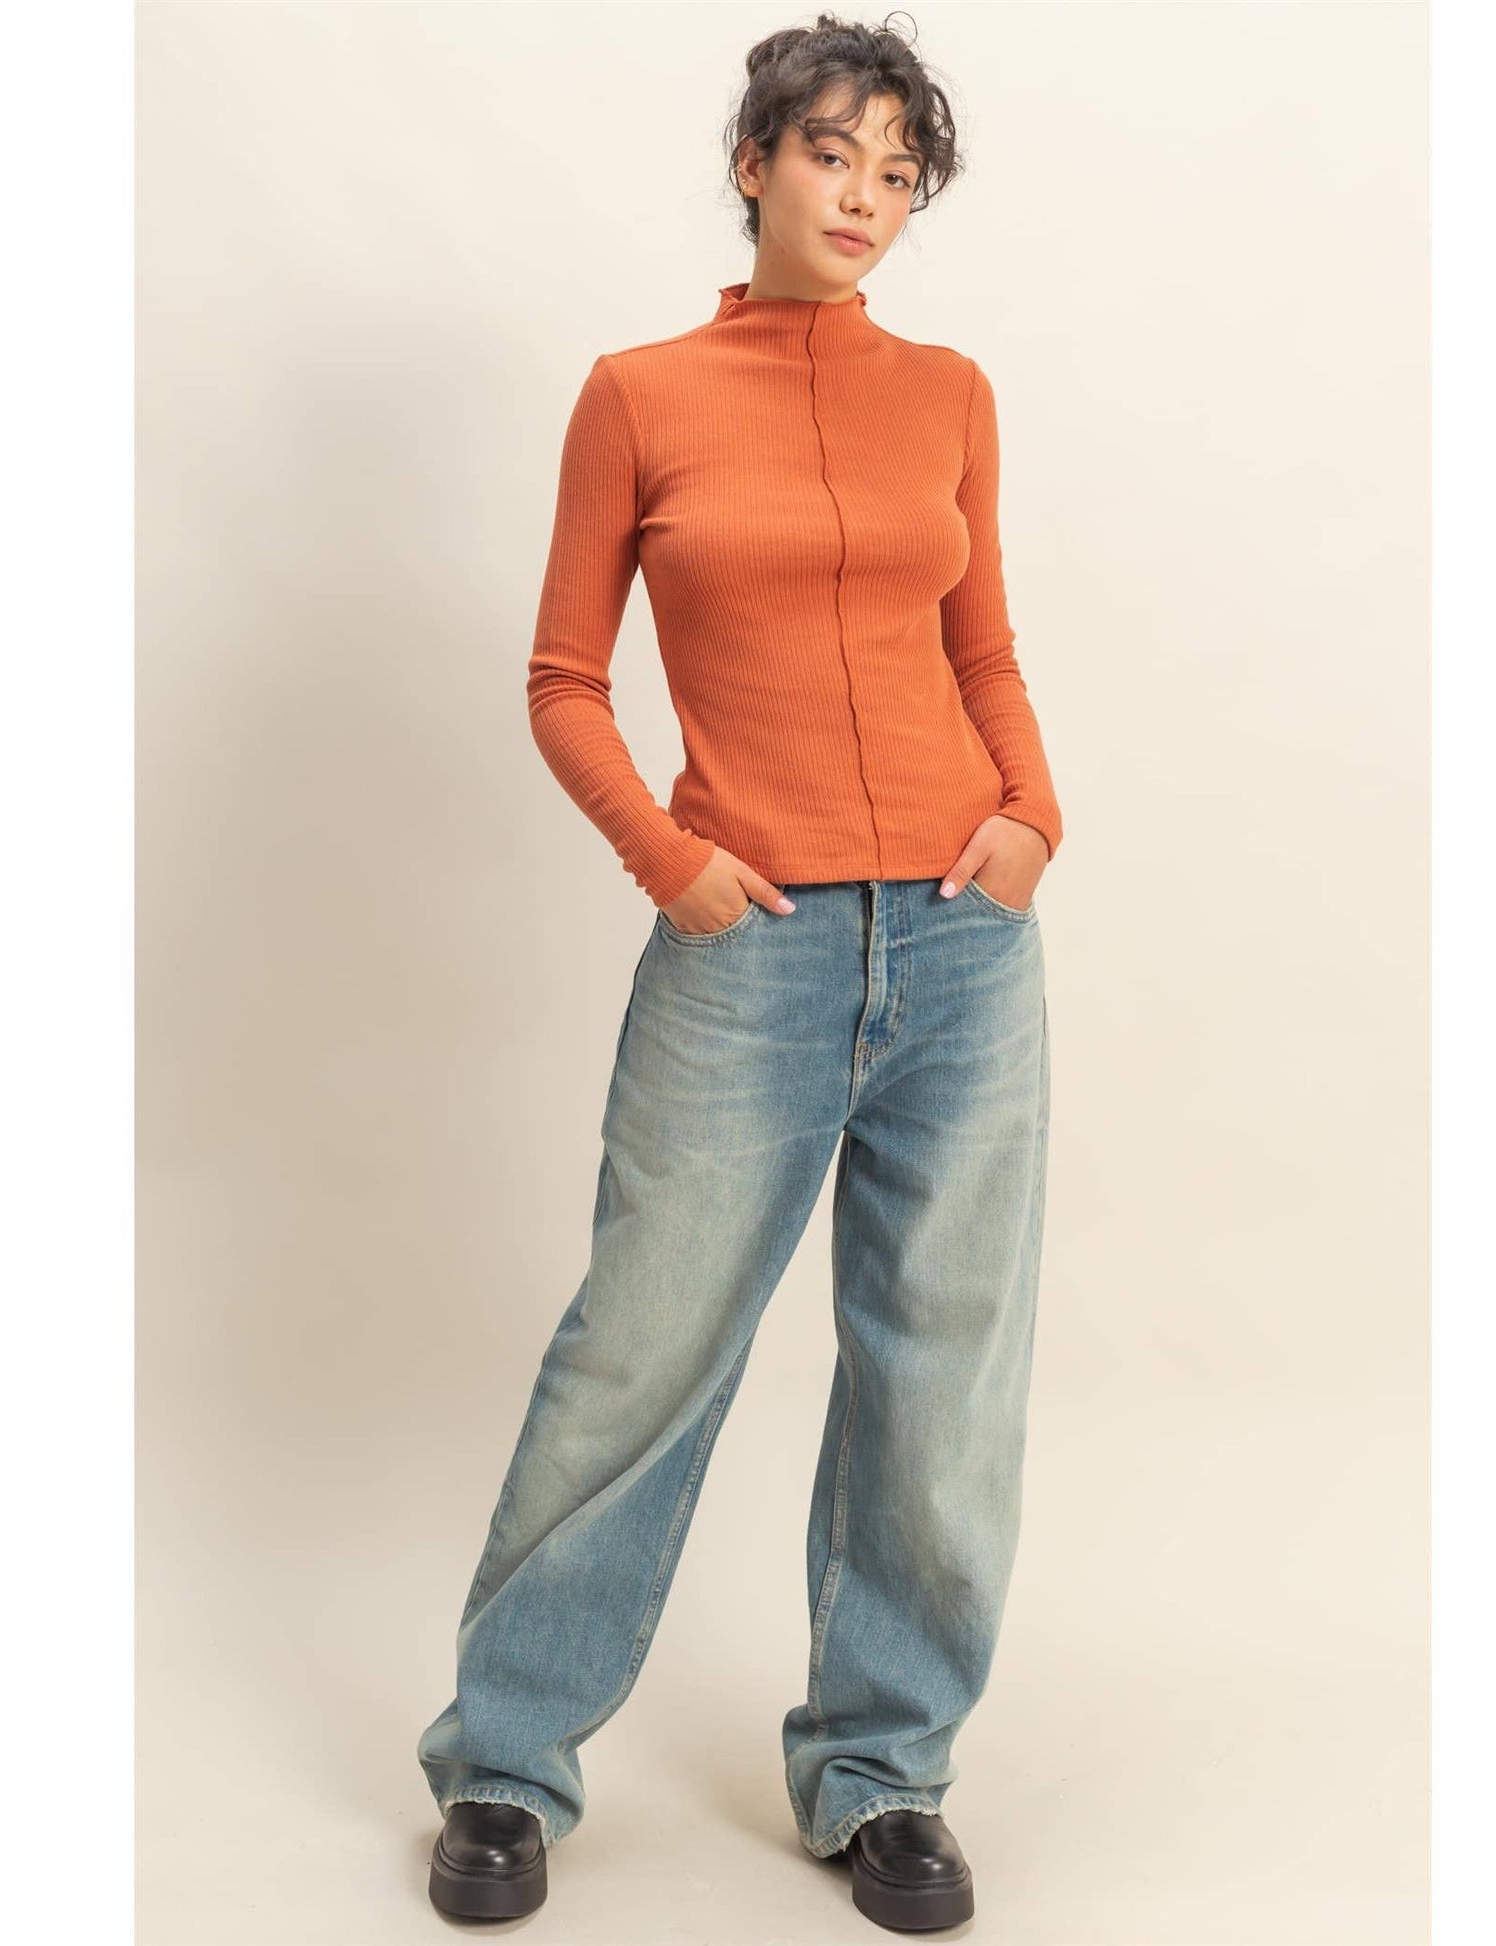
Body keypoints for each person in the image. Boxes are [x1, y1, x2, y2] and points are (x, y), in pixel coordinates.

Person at [416, 15, 1061, 1932]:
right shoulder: (640, 394)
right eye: (833, 154)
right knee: (641, 1349)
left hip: (963, 941)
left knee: (940, 1370)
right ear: (754, 163)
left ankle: (883, 1773)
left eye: (898, 173)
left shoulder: (948, 394)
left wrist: (1032, 817)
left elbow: (982, 647)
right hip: (748, 945)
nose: (865, 197)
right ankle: (505, 1761)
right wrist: (673, 863)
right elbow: (564, 679)